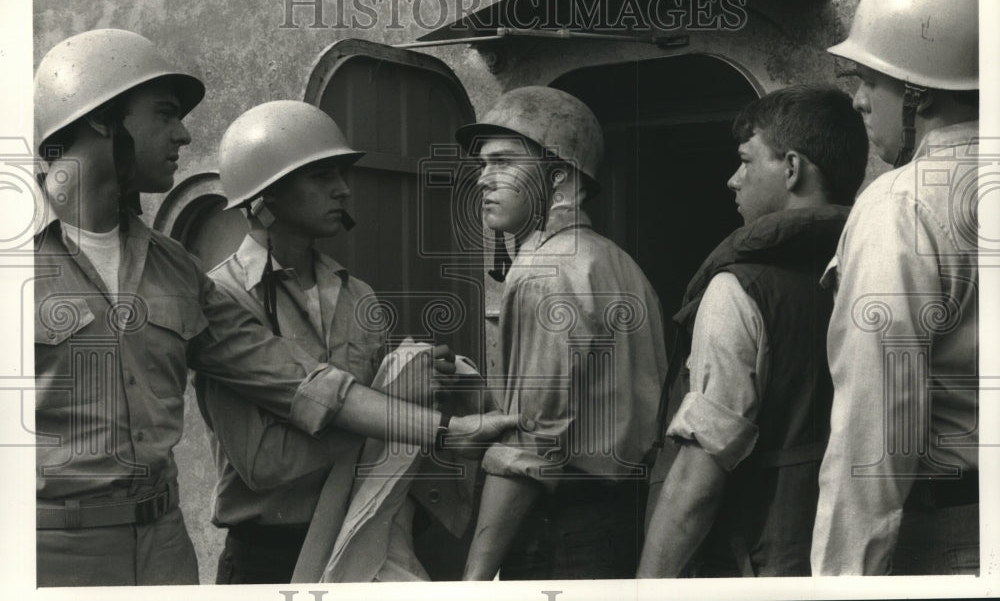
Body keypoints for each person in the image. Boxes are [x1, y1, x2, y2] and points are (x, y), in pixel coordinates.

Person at [32, 29, 518, 587]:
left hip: (163, 547)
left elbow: (300, 382)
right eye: (166, 114)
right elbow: (264, 460)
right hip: (46, 550)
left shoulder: (175, 269)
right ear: (100, 120)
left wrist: (446, 432)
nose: (185, 133)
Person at [198, 100, 463, 583]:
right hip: (270, 556)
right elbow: (265, 465)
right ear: (266, 195)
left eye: (342, 174)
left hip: (357, 537)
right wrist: (394, 403)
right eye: (321, 177)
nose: (343, 189)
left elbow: (383, 434)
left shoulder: (356, 293)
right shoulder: (223, 299)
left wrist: (420, 375)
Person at [637, 85, 868, 577]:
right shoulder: (875, 268)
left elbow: (700, 478)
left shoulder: (737, 290)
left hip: (759, 563)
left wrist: (645, 587)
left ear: (791, 168)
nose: (732, 179)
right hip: (855, 553)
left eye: (746, 161)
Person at [455, 86, 668, 580]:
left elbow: (533, 446)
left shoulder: (541, 273)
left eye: (503, 162)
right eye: (482, 165)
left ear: (561, 180)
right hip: (621, 520)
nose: (484, 180)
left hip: (560, 534)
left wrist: (474, 580)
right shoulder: (617, 261)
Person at [810, 0, 980, 575]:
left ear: (917, 93)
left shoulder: (902, 203)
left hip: (958, 536)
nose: (857, 101)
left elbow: (877, 427)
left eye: (868, 80)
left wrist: (842, 582)